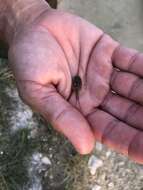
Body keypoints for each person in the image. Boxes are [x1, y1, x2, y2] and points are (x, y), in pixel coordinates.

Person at [0, 0, 143, 164]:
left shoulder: (77, 81)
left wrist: (27, 13)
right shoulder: (77, 80)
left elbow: (77, 81)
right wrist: (24, 15)